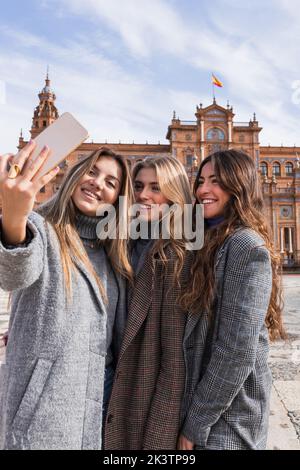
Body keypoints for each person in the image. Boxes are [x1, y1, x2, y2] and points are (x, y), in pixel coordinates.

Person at [0, 142, 132, 450]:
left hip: (95, 419)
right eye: (91, 171)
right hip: (40, 420)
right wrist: (13, 217)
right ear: (74, 175)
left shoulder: (112, 255)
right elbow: (13, 272)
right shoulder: (41, 227)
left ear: (118, 200)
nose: (97, 183)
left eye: (111, 182)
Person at [178, 149, 286, 450]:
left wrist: (196, 423)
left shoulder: (244, 245)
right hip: (212, 405)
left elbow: (236, 351)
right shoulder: (211, 239)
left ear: (238, 185)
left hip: (229, 416)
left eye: (216, 181)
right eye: (200, 181)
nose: (202, 190)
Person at [104, 156, 193, 450]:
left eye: (156, 187)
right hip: (109, 385)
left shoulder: (178, 256)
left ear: (175, 195)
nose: (143, 195)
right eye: (139, 186)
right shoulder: (123, 242)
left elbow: (174, 358)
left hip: (144, 394)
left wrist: (161, 434)